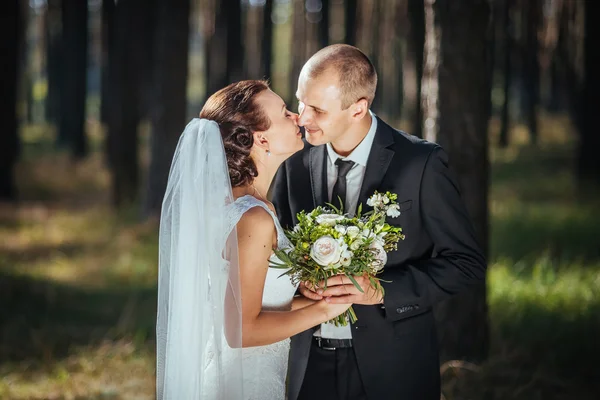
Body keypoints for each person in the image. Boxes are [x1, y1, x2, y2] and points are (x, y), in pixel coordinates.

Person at [271, 44, 487, 400]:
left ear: (358, 108)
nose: (302, 117)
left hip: (393, 366)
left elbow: (465, 263)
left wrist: (383, 290)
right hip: (306, 364)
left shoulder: (420, 163)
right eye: (300, 102)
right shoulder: (293, 162)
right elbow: (276, 253)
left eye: (317, 110)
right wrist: (297, 285)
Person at [156, 80, 353, 399]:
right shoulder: (254, 218)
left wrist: (319, 297)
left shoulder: (245, 207)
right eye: (285, 112)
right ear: (261, 138)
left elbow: (247, 306)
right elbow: (242, 331)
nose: (297, 117)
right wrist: (325, 311)